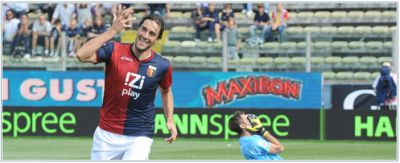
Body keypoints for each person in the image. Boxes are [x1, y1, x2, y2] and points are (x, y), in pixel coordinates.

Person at [76, 5, 177, 160]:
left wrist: (170, 119)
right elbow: (81, 54)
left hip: (139, 135)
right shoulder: (114, 50)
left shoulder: (162, 66)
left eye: (151, 33)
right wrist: (113, 31)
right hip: (106, 135)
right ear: (138, 30)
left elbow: (166, 91)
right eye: (144, 29)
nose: (145, 35)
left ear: (156, 40)